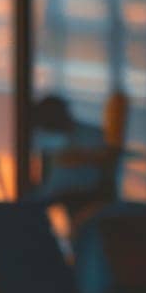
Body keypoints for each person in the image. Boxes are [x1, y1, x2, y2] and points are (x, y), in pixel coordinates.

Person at [29, 93, 115, 225]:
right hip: (56, 194)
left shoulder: (91, 135)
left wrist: (81, 157)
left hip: (82, 194)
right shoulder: (50, 139)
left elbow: (106, 160)